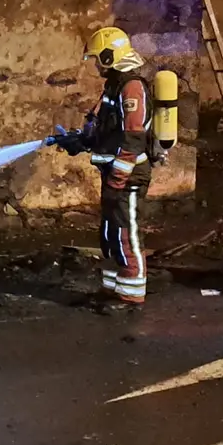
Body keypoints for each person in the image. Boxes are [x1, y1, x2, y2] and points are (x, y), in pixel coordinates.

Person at [47, 27, 155, 314]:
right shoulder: (114, 86)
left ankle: (132, 295)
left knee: (126, 233)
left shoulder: (132, 87)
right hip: (113, 175)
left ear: (110, 56)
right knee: (109, 234)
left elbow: (134, 136)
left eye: (98, 58)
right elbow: (103, 130)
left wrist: (119, 176)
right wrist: (76, 141)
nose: (95, 65)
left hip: (129, 176)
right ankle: (112, 288)